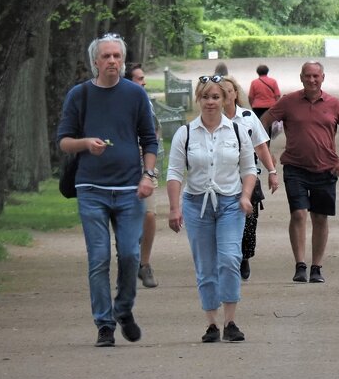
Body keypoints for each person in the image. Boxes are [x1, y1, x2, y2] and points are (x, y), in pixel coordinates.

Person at [57, 34, 159, 347]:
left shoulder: (135, 95)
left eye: (117, 56)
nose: (112, 61)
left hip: (130, 188)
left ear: (123, 61)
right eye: (106, 57)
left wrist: (148, 175)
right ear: (95, 62)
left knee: (129, 254)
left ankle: (124, 308)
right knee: (98, 258)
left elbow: (150, 140)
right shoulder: (80, 95)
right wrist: (86, 143)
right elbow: (63, 141)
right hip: (91, 188)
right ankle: (104, 324)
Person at [166, 75, 257, 342]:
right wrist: (174, 208)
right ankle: (211, 324)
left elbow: (249, 169)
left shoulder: (238, 131)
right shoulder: (185, 133)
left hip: (231, 203)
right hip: (197, 205)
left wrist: (246, 196)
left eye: (215, 97)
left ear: (225, 99)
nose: (210, 102)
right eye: (205, 97)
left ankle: (230, 321)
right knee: (205, 266)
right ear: (198, 99)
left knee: (229, 259)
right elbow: (174, 172)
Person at [261, 61, 339, 284]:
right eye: (308, 76)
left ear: (322, 78)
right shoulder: (288, 102)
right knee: (298, 213)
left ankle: (316, 266)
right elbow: (263, 122)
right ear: (301, 77)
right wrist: (266, 150)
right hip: (295, 167)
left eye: (316, 76)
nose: (312, 80)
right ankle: (300, 265)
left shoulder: (334, 104)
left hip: (326, 169)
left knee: (320, 217)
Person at [218, 75, 279, 280]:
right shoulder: (211, 119)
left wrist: (271, 172)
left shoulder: (248, 117)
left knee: (248, 222)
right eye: (221, 91)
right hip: (220, 179)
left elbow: (261, 146)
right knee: (222, 220)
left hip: (248, 177)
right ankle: (227, 258)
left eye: (229, 90)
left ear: (235, 93)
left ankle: (244, 257)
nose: (225, 94)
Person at [127, 63, 159, 289]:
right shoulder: (117, 102)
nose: (144, 82)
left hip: (143, 168)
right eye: (139, 78)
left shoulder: (145, 102)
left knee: (149, 215)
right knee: (124, 218)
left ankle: (144, 264)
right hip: (120, 169)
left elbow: (154, 131)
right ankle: (127, 266)